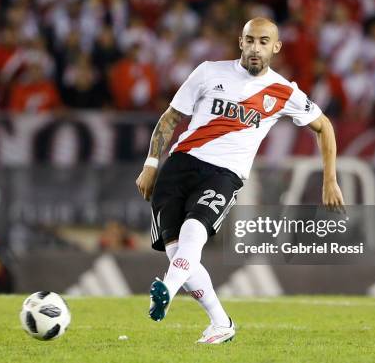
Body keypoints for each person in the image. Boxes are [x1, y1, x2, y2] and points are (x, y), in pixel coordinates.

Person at [135, 17, 344, 344]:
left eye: (263, 41)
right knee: (178, 253)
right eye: (250, 40)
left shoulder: (284, 91)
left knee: (195, 231)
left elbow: (325, 126)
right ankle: (220, 322)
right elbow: (171, 117)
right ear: (240, 42)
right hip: (179, 165)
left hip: (224, 174)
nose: (255, 48)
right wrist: (150, 163)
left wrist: (329, 179)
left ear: (276, 47)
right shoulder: (208, 71)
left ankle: (167, 289)